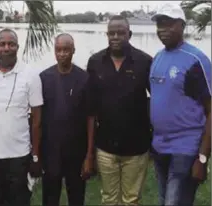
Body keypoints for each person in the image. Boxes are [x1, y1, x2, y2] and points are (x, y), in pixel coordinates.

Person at [86, 15, 152, 205]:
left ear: (129, 34)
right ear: (106, 35)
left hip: (137, 147)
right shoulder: (96, 62)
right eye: (111, 33)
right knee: (108, 199)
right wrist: (90, 152)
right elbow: (91, 108)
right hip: (105, 146)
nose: (115, 37)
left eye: (120, 33)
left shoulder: (144, 62)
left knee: (131, 199)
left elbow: (157, 99)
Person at [149, 5, 211, 205]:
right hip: (159, 148)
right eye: (160, 24)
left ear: (182, 25)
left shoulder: (196, 60)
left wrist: (202, 158)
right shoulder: (158, 58)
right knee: (163, 200)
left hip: (185, 149)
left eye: (169, 23)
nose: (163, 29)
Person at [0, 28, 43, 206]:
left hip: (19, 157)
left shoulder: (30, 75)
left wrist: (35, 157)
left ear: (17, 47)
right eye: (2, 44)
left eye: (11, 44)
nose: (6, 48)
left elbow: (37, 121)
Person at [39, 33, 93, 206]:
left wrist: (89, 154)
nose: (62, 54)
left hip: (76, 151)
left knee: (76, 198)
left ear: (73, 51)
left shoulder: (84, 79)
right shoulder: (44, 78)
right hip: (51, 151)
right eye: (58, 50)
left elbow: (90, 117)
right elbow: (37, 118)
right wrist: (36, 153)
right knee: (50, 198)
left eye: (66, 50)